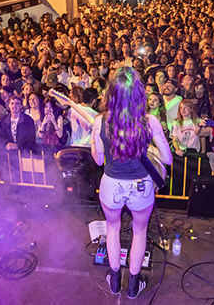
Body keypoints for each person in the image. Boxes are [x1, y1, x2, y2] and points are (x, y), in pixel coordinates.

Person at [90, 67, 172, 297]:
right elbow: (167, 159)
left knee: (112, 230)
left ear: (111, 93)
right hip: (140, 187)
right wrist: (150, 148)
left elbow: (98, 160)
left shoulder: (100, 121)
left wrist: (93, 142)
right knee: (139, 232)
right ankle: (134, 287)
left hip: (111, 185)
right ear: (139, 93)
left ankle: (115, 282)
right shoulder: (150, 121)